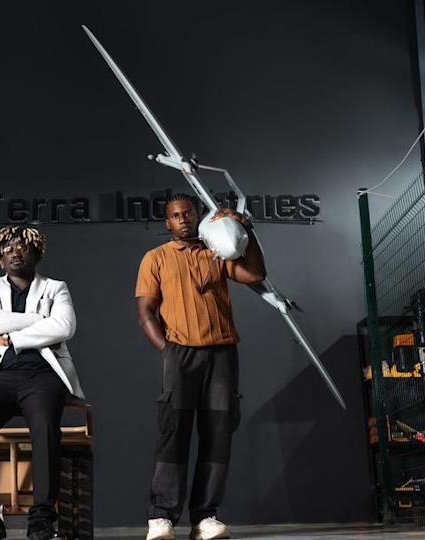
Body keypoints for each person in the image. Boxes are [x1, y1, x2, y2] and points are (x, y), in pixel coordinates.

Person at [135, 194, 267, 540]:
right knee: (174, 432)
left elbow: (255, 273)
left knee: (218, 433)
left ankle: (205, 517)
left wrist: (246, 231)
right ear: (167, 222)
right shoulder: (155, 258)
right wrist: (168, 351)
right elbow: (146, 312)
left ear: (198, 216)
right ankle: (161, 517)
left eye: (188, 213)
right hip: (179, 354)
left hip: (222, 353)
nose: (182, 219)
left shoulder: (217, 253)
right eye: (175, 215)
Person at [0, 226, 84, 540]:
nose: (15, 253)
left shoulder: (55, 288)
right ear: (0, 257)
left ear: (36, 253)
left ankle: (41, 522)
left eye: (22, 247)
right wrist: (39, 320)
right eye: (8, 248)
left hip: (42, 376)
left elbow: (65, 326)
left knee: (45, 426)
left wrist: (11, 337)